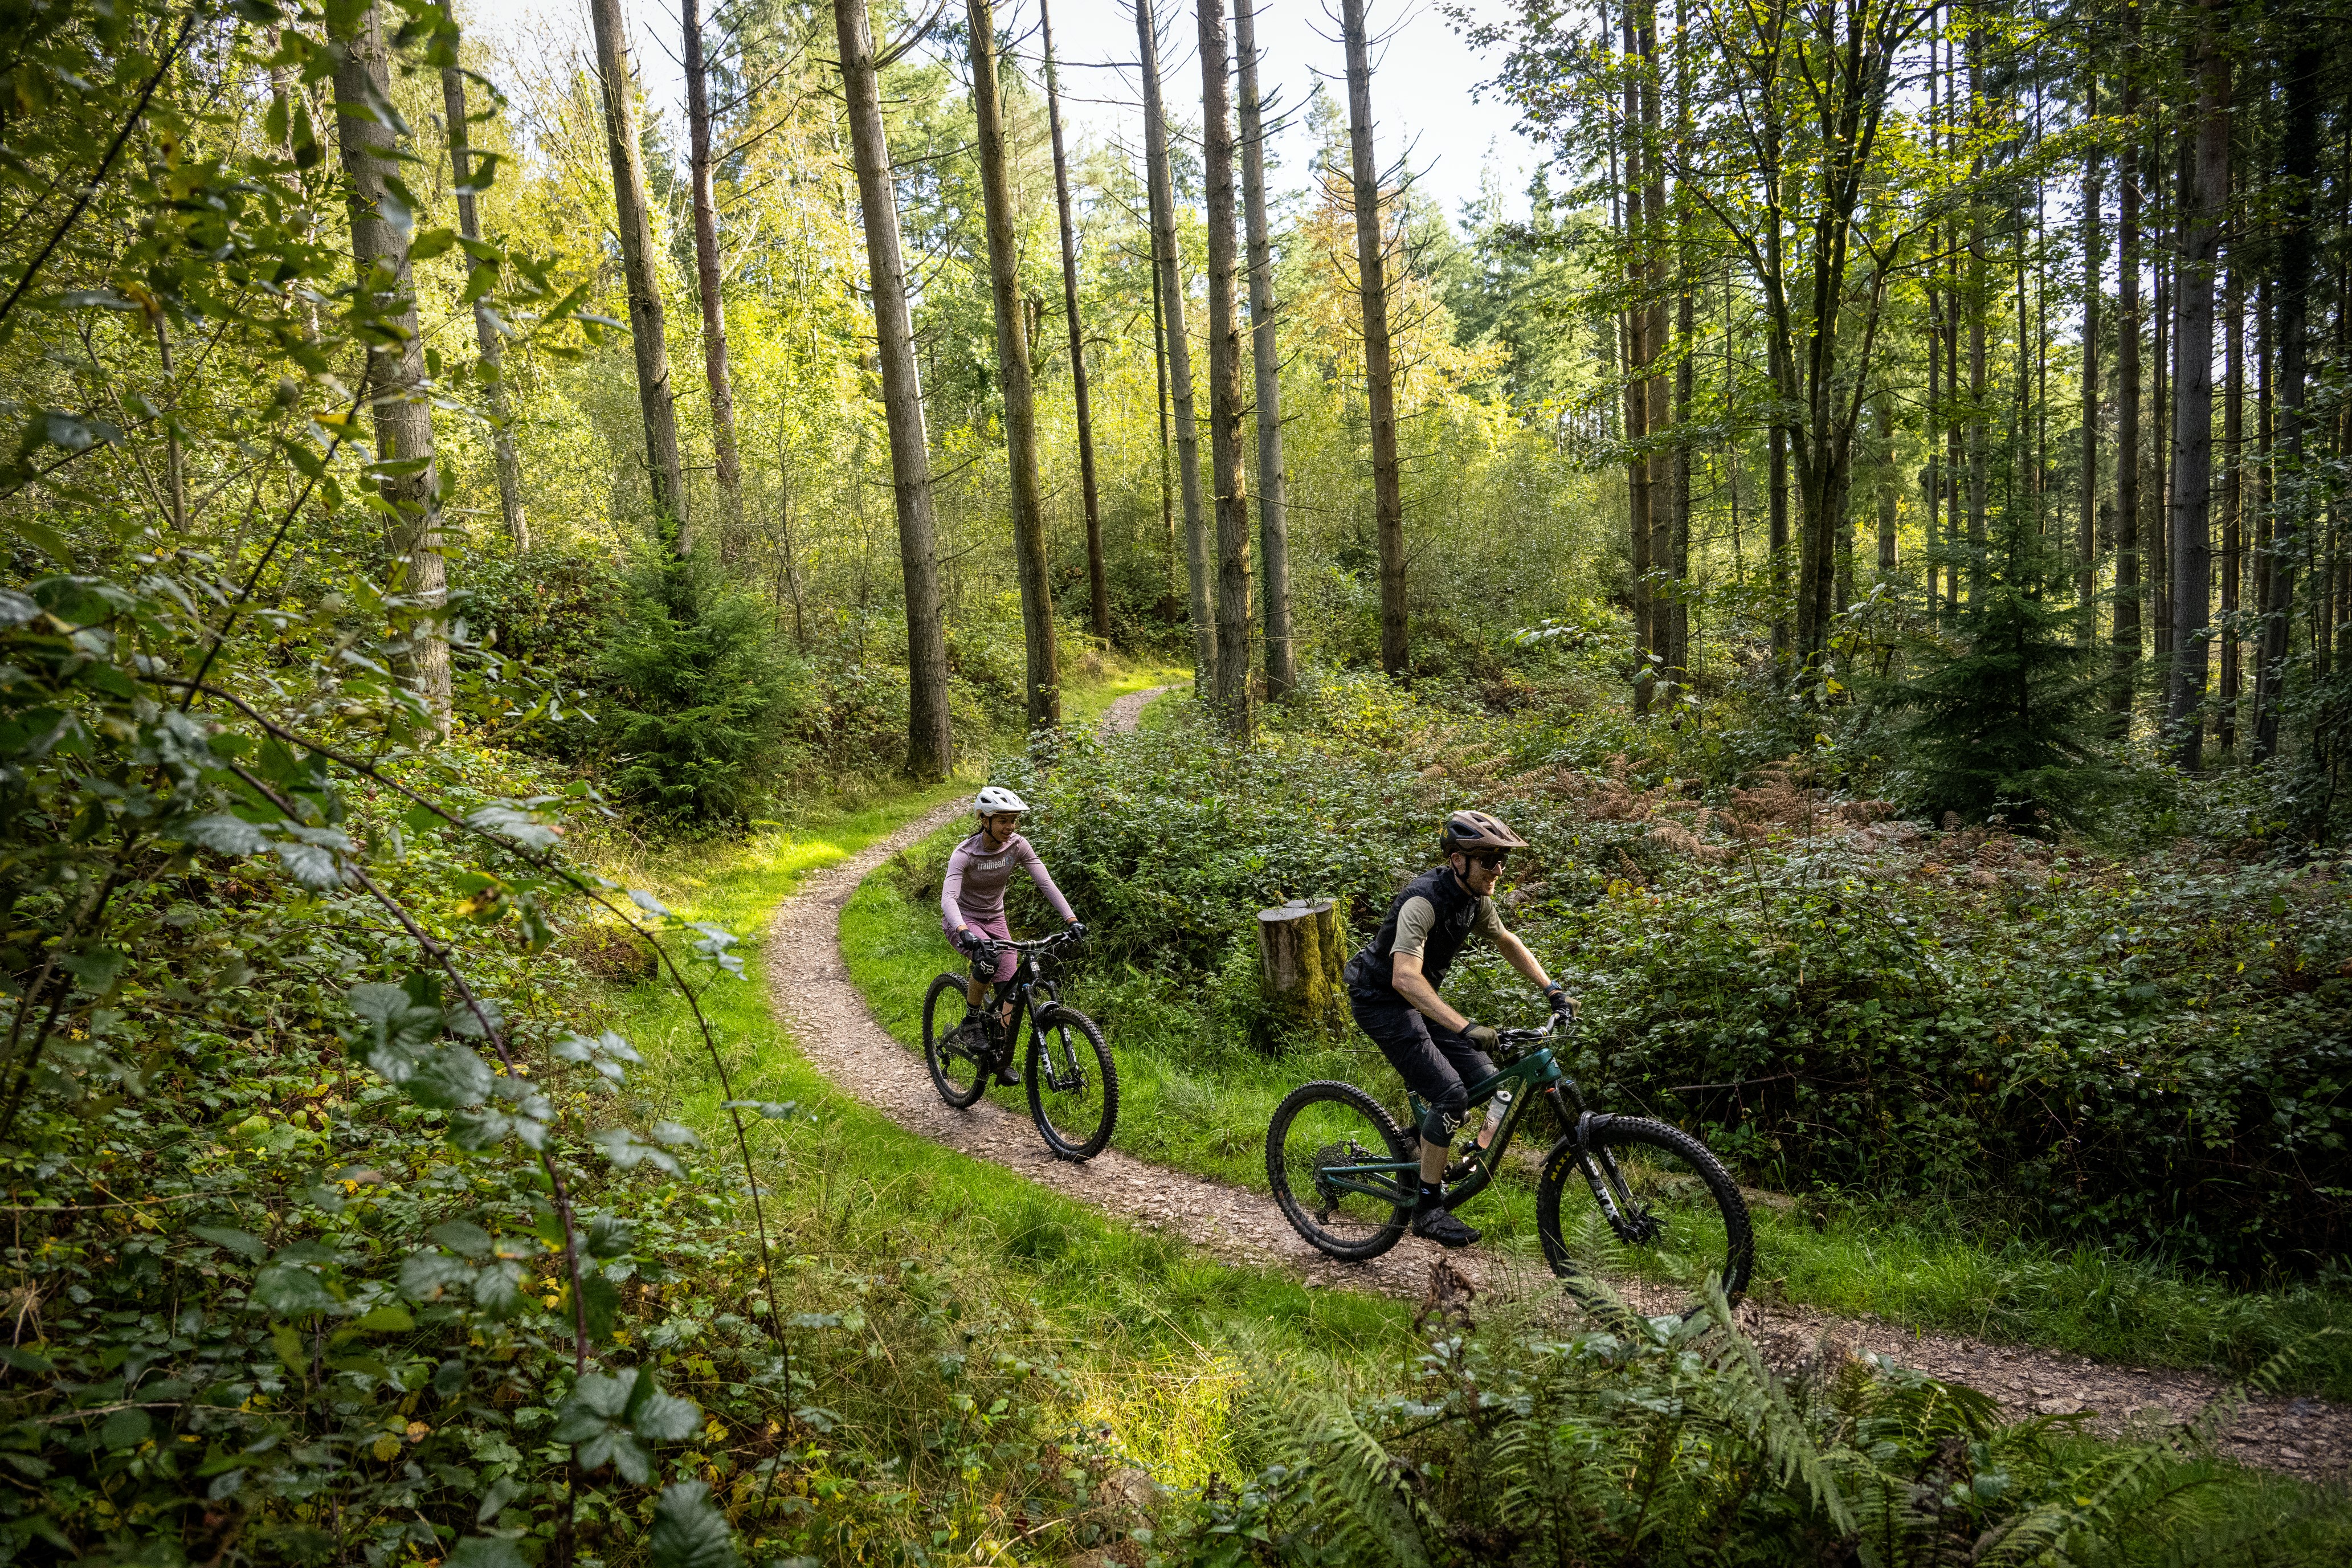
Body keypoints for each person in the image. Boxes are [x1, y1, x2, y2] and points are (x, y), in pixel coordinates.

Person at [1342, 809, 1574, 1248]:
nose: (1499, 870)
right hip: (1381, 1001)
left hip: (1419, 998)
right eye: (1489, 861)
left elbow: (1506, 940)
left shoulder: (1474, 899)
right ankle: (1428, 1210)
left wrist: (1553, 989)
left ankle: (1416, 1142)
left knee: (1485, 1082)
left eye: (1502, 861)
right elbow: (1404, 979)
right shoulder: (1423, 902)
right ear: (1457, 861)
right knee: (1450, 1095)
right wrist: (1466, 1026)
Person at [942, 786, 1084, 1084]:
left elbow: (1046, 883)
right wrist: (963, 930)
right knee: (987, 958)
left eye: (1014, 821)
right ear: (985, 820)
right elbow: (949, 899)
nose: (1010, 827)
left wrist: (1071, 919)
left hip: (996, 920)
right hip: (964, 921)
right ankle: (971, 1020)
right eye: (1004, 821)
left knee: (1013, 988)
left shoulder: (1018, 846)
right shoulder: (964, 854)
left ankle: (1001, 1056)